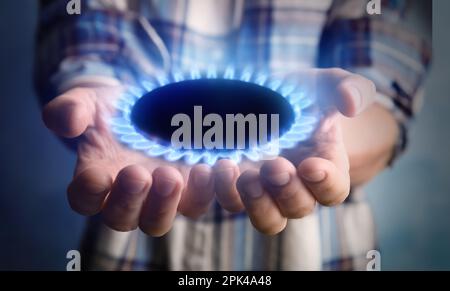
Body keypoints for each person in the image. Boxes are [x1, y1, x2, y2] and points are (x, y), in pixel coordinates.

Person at [35, 0, 431, 270]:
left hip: (318, 252)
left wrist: (328, 135)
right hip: (132, 248)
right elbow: (84, 37)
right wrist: (95, 110)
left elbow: (385, 91)